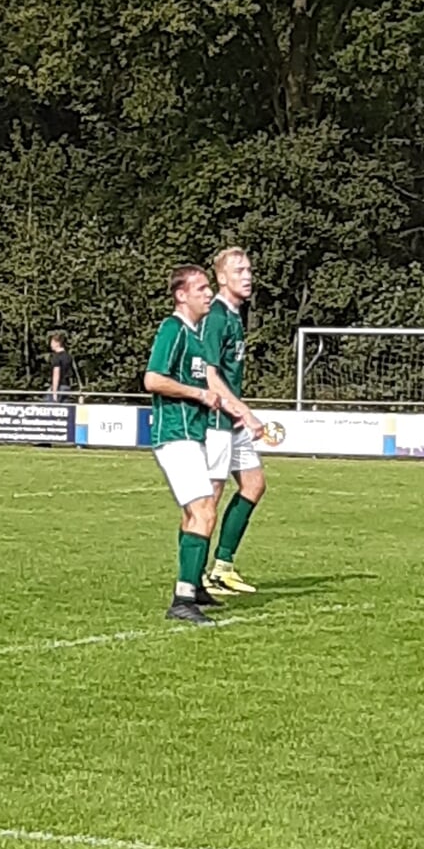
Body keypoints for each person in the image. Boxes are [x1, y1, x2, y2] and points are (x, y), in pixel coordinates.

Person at [144, 265, 227, 624]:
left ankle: (194, 585)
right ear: (181, 295)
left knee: (195, 511)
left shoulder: (195, 336)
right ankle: (183, 598)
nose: (208, 294)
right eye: (201, 288)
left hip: (192, 434)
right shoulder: (173, 329)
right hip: (174, 434)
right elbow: (152, 379)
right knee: (205, 509)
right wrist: (198, 393)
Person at [201, 247, 266, 595]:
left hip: (232, 419)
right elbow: (210, 376)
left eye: (249, 270)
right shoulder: (215, 316)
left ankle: (222, 567)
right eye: (239, 270)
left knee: (254, 485)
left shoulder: (234, 317)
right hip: (215, 419)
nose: (247, 275)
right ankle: (194, 576)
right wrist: (245, 411)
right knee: (209, 498)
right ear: (222, 278)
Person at [46, 333, 77, 402]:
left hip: (59, 387)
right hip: (67, 386)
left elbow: (56, 374)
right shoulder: (68, 356)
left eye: (52, 342)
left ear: (57, 343)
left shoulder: (56, 357)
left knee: (49, 408)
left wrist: (54, 392)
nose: (51, 345)